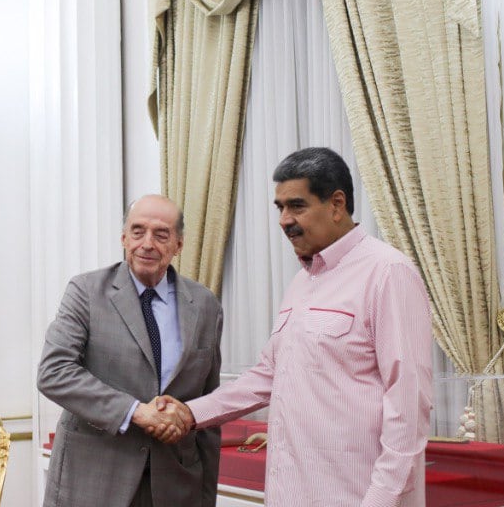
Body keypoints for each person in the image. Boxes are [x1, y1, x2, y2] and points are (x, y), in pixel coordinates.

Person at [158, 147, 433, 507]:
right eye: (280, 208)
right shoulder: (302, 282)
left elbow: (409, 406)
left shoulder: (388, 273)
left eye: (297, 206)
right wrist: (190, 413)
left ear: (337, 204)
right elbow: (266, 376)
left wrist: (380, 500)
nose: (284, 220)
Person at [37, 195, 224, 507]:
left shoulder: (205, 306)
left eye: (161, 234)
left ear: (179, 244)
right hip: (95, 482)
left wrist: (206, 499)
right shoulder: (85, 292)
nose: (147, 243)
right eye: (138, 232)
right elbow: (53, 373)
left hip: (177, 488)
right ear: (124, 238)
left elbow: (209, 408)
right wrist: (136, 412)